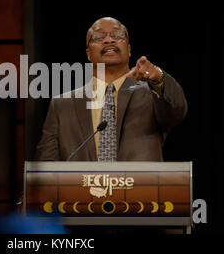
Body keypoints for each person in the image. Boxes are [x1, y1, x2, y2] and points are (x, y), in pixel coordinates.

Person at [34, 17, 187, 161]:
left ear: (129, 50)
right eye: (99, 37)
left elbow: (177, 110)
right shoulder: (62, 104)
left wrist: (158, 78)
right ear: (88, 54)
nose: (109, 40)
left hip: (141, 189)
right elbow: (46, 166)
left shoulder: (152, 94)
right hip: (81, 189)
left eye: (118, 35)